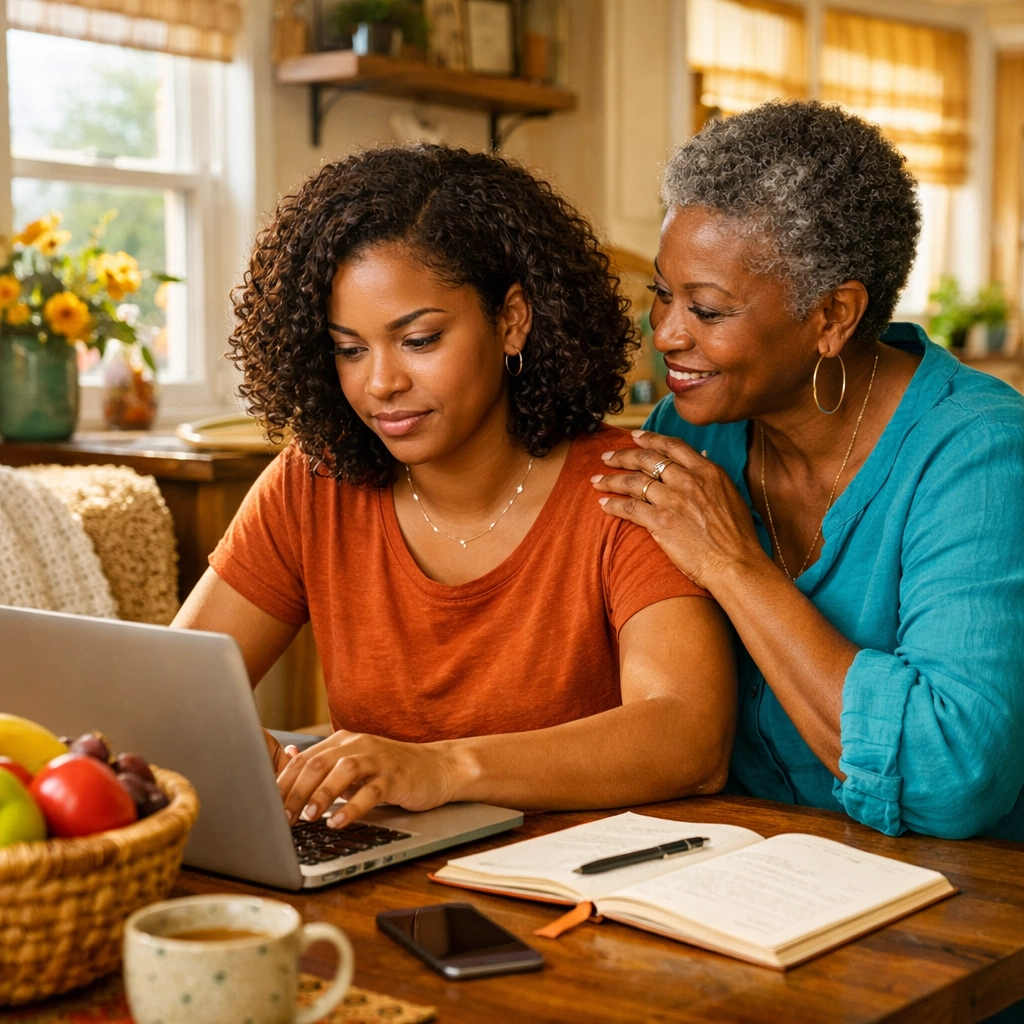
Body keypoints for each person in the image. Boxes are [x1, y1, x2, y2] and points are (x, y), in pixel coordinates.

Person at [173, 144, 736, 831]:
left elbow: (688, 737)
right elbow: (179, 686)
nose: (380, 383)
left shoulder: (630, 489)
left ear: (511, 321)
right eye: (349, 349)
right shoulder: (312, 481)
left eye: (420, 340)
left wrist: (444, 768)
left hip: (576, 887)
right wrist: (237, 747)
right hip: (375, 875)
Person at [593, 101, 1024, 842]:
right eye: (663, 294)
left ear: (832, 317)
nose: (666, 334)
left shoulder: (980, 457)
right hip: (735, 869)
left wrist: (732, 564)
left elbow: (951, 777)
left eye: (708, 310)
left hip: (959, 908)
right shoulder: (685, 438)